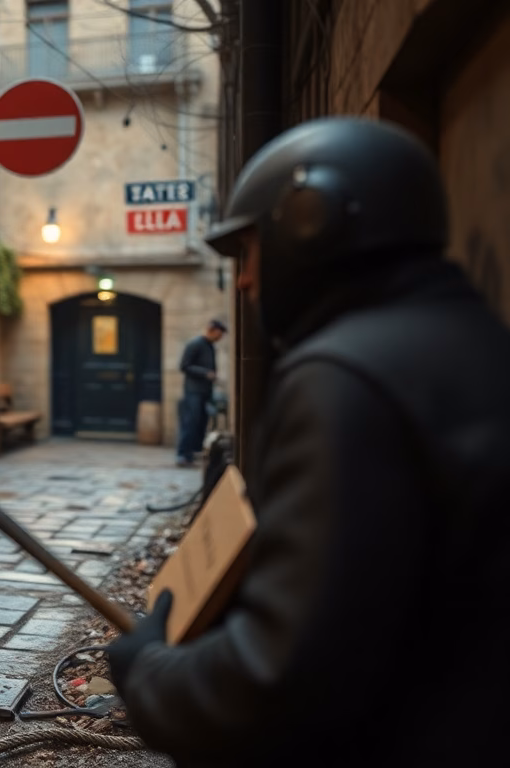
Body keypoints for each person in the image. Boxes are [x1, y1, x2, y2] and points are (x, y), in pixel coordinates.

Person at [106, 117, 510, 766]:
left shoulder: (341, 376)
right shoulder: (477, 339)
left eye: (249, 253)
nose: (243, 281)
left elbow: (277, 682)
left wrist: (147, 670)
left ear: (309, 222)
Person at [176, 319, 227, 467]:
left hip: (204, 390)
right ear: (212, 330)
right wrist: (206, 373)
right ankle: (183, 455)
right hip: (193, 391)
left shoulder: (209, 346)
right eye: (219, 334)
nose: (220, 338)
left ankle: (192, 453)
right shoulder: (195, 344)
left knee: (200, 423)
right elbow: (184, 366)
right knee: (190, 422)